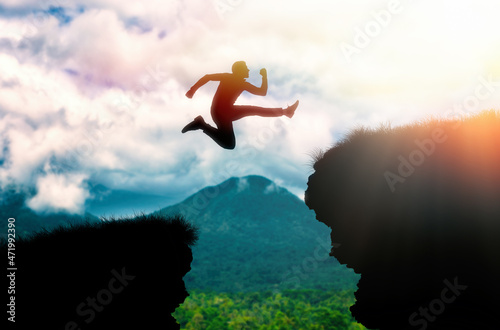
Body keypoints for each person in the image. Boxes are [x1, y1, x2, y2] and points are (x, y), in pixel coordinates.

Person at [183, 61, 299, 149]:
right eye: (246, 69)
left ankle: (201, 124)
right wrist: (264, 76)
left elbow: (207, 77)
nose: (248, 70)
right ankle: (201, 125)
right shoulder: (232, 79)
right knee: (253, 111)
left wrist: (192, 90)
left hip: (221, 112)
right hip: (222, 112)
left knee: (229, 144)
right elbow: (207, 77)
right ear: (240, 71)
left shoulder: (238, 81)